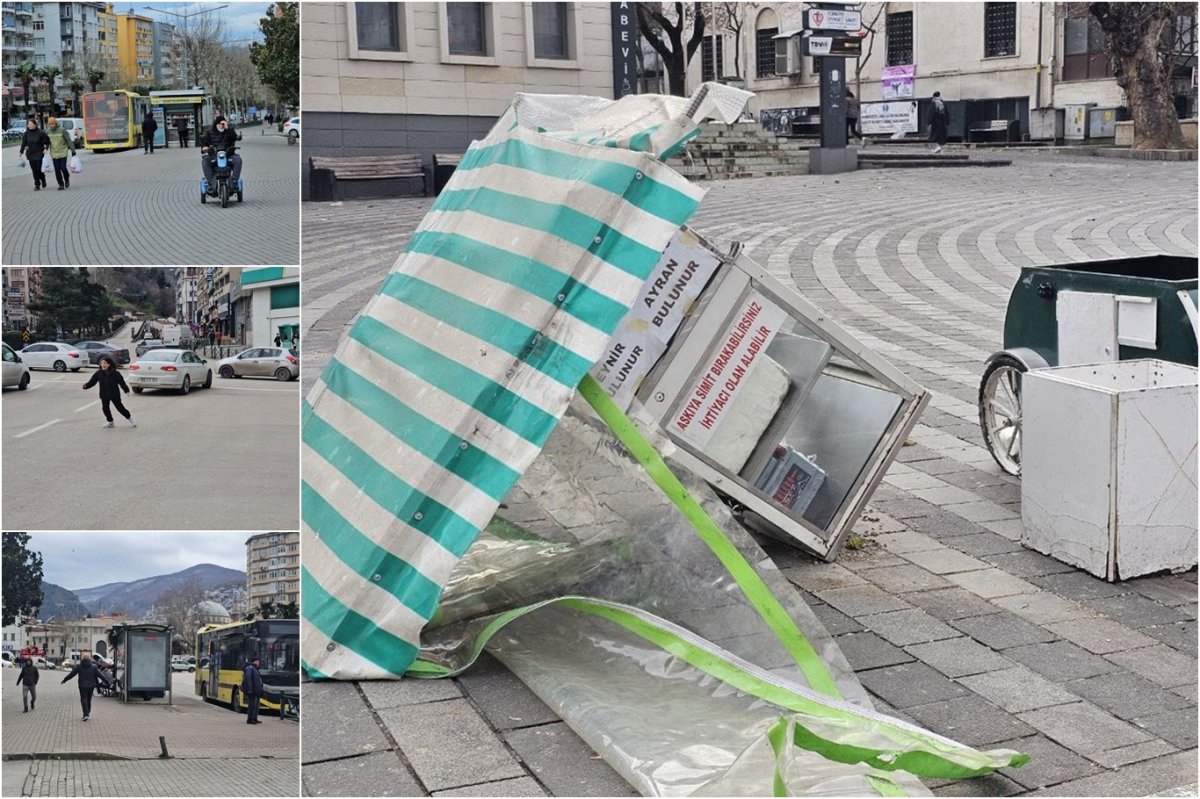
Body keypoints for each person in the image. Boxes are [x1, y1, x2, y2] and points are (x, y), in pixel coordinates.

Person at [82, 355, 136, 428]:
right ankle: (110, 422)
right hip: (104, 394)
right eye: (102, 363)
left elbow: (122, 382)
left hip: (114, 394)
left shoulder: (115, 373)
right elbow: (92, 381)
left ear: (109, 364)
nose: (103, 365)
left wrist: (126, 390)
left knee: (120, 408)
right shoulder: (98, 373)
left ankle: (130, 418)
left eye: (105, 363)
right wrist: (86, 386)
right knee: (105, 409)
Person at [200, 115, 243, 196]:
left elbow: (235, 137)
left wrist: (228, 128)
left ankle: (233, 182)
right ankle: (210, 183)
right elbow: (205, 142)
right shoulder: (210, 131)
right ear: (216, 124)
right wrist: (204, 148)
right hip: (213, 156)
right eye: (220, 124)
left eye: (223, 124)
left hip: (228, 155)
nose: (221, 125)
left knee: (238, 160)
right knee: (205, 162)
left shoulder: (229, 130)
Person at [61, 654, 110, 721]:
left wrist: (65, 680)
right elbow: (100, 675)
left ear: (82, 659)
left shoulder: (79, 667)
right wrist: (106, 681)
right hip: (91, 686)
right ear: (90, 659)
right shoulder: (94, 667)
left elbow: (72, 674)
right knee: (89, 700)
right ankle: (87, 713)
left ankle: (86, 714)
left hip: (82, 686)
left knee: (83, 699)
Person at [18, 118, 50, 191]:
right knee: (34, 170)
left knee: (38, 169)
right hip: (30, 153)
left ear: (35, 124)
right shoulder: (26, 133)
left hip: (39, 153)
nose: (29, 125)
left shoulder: (41, 133)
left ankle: (43, 178)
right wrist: (21, 151)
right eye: (28, 124)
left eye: (30, 124)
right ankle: (37, 184)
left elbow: (47, 141)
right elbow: (23, 143)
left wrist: (46, 148)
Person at [46, 117, 76, 190]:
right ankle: (60, 184)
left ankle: (66, 179)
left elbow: (68, 140)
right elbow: (47, 142)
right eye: (50, 124)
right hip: (54, 153)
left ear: (55, 123)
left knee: (63, 168)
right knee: (57, 169)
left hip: (63, 152)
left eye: (53, 124)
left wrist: (73, 150)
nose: (51, 125)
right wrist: (45, 149)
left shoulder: (62, 130)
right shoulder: (47, 131)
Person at [241, 656, 263, 724]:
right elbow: (248, 679)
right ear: (255, 661)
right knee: (252, 705)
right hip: (252, 690)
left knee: (256, 705)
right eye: (258, 661)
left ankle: (254, 718)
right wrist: (250, 689)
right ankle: (250, 719)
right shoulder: (250, 668)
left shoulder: (255, 668)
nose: (259, 663)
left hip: (256, 691)